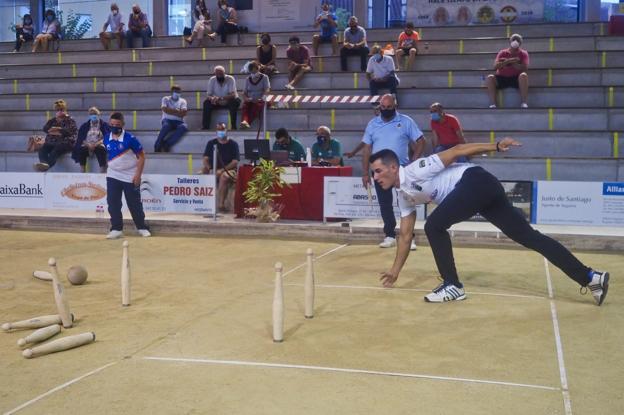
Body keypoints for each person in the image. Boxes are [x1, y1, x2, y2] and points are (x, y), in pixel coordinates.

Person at [371, 139, 609, 305]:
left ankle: (452, 285)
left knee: (434, 225)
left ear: (394, 167)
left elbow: (458, 149)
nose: (375, 177)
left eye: (379, 171)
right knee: (529, 237)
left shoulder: (415, 170)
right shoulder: (403, 195)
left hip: (476, 182)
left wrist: (495, 146)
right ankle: (590, 277)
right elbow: (404, 235)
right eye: (373, 173)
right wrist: (395, 271)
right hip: (482, 191)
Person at [361, 94, 424, 250]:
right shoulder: (372, 124)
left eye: (389, 107)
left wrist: (413, 162)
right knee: (385, 204)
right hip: (379, 171)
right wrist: (364, 172)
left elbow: (421, 141)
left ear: (395, 106)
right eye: (383, 107)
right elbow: (367, 148)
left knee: (406, 204)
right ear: (379, 107)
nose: (386, 110)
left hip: (401, 170)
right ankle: (389, 235)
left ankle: (409, 238)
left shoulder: (406, 121)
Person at [104, 111, 150, 239]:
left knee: (134, 203)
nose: (114, 126)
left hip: (130, 176)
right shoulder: (106, 137)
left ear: (123, 124)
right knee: (113, 203)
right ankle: (116, 229)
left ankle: (141, 227)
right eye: (112, 124)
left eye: (117, 124)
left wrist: (138, 175)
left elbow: (141, 156)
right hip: (113, 175)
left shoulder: (131, 139)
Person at [202, 123, 240, 212]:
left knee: (224, 176)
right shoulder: (211, 143)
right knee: (201, 173)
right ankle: (201, 204)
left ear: (226, 130)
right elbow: (205, 158)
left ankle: (221, 205)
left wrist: (222, 170)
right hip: (214, 169)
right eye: (218, 130)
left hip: (229, 171)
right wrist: (209, 168)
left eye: (222, 129)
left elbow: (235, 161)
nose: (220, 132)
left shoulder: (233, 144)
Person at [486, 33, 529, 109]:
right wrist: (509, 61)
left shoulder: (523, 53)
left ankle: (524, 103)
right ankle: (493, 104)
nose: (515, 41)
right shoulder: (502, 52)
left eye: (518, 40)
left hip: (515, 79)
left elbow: (524, 68)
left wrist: (510, 63)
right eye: (513, 39)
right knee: (490, 77)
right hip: (502, 78)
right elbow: (495, 66)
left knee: (524, 76)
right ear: (510, 41)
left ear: (520, 43)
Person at [35, 100, 78, 172]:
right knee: (42, 149)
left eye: (61, 110)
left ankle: (45, 167)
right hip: (53, 142)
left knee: (55, 151)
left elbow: (69, 132)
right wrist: (54, 129)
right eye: (58, 110)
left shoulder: (70, 120)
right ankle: (44, 164)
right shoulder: (53, 120)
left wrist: (58, 129)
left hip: (66, 142)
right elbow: (45, 129)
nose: (59, 111)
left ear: (65, 110)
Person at [202, 65, 241, 130]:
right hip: (217, 102)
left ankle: (233, 126)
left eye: (221, 74)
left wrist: (220, 98)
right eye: (218, 74)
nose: (219, 76)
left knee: (234, 102)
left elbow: (233, 95)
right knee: (206, 103)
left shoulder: (230, 79)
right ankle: (205, 127)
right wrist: (211, 98)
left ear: (224, 73)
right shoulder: (212, 80)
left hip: (229, 100)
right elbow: (208, 94)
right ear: (215, 74)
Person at [72, 107, 109, 173]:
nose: (93, 116)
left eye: (95, 114)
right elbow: (80, 138)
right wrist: (88, 144)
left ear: (98, 115)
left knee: (101, 149)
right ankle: (82, 170)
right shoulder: (85, 126)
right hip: (87, 144)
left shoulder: (104, 125)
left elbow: (107, 137)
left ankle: (102, 170)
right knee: (81, 150)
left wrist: (97, 144)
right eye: (91, 114)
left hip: (99, 143)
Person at [154, 85, 188, 152]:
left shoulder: (183, 101)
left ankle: (167, 144)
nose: (177, 93)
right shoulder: (165, 99)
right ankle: (157, 145)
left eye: (179, 92)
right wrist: (178, 111)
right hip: (167, 120)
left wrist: (171, 110)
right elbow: (165, 109)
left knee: (184, 127)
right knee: (166, 126)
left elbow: (184, 113)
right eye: (176, 91)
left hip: (179, 122)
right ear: (171, 92)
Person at [240, 62, 270, 129]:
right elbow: (244, 92)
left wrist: (262, 98)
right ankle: (244, 121)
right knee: (245, 106)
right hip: (250, 99)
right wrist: (246, 98)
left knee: (256, 107)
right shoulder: (248, 79)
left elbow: (267, 89)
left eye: (254, 70)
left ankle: (247, 122)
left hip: (261, 99)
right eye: (251, 71)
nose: (253, 72)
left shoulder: (264, 77)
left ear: (257, 69)